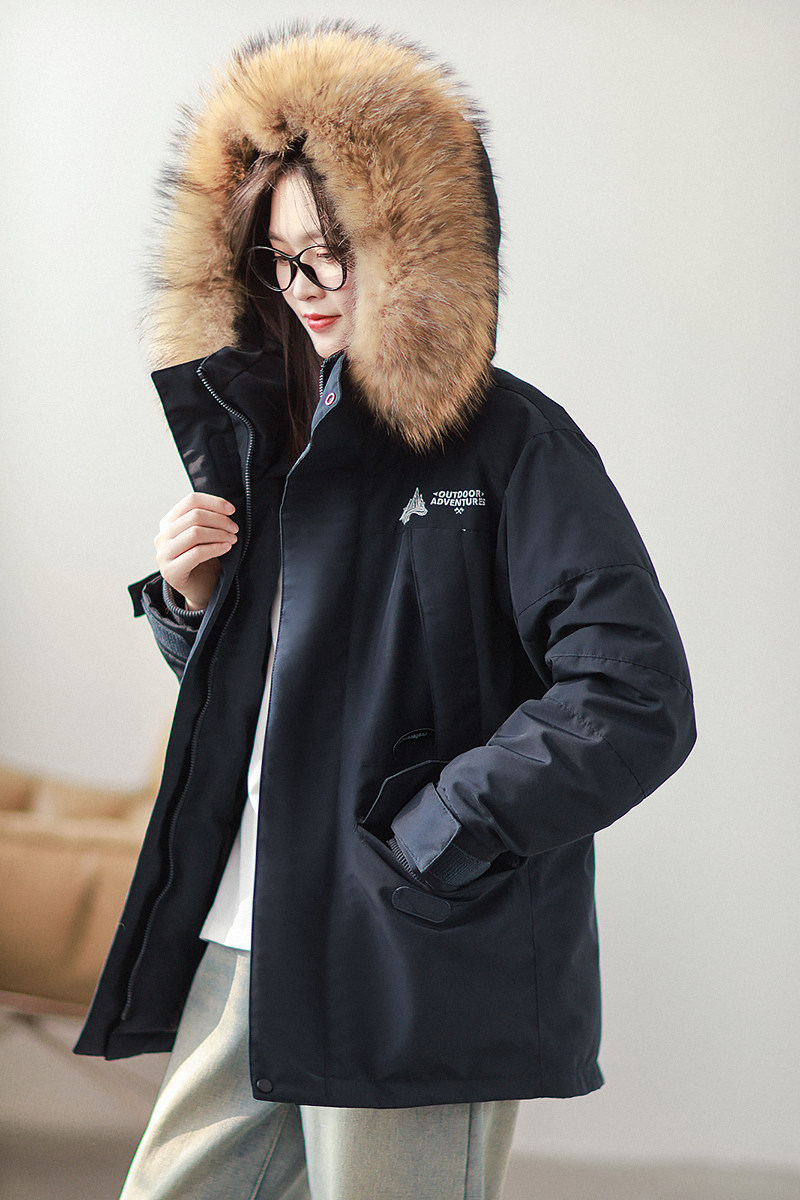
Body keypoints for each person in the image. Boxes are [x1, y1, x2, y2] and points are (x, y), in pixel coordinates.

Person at [75, 20, 696, 1200]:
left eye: (335, 252)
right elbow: (307, 697)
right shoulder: (271, 442)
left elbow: (632, 696)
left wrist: (435, 836)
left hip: (412, 953)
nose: (307, 289)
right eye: (281, 259)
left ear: (413, 244)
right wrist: (193, 609)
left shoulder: (513, 442)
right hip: (249, 937)